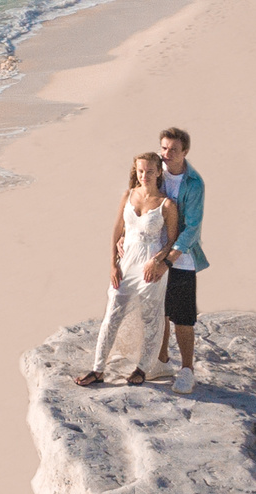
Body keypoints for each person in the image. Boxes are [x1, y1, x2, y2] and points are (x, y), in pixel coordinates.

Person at [72, 152, 180, 388]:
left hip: (151, 266)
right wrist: (112, 264)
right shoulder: (128, 195)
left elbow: (172, 240)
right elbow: (117, 231)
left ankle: (142, 368)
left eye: (150, 171)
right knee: (112, 315)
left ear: (159, 171)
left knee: (151, 317)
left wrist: (158, 261)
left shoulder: (167, 204)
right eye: (141, 171)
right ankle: (98, 369)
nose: (145, 176)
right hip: (126, 263)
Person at [153, 126, 209, 395]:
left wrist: (170, 260)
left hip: (182, 259)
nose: (167, 154)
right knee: (158, 312)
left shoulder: (194, 183)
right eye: (163, 148)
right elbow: (136, 202)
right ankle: (161, 361)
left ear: (185, 152)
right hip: (153, 252)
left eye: (173, 149)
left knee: (183, 318)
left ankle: (187, 371)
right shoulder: (155, 173)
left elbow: (193, 228)